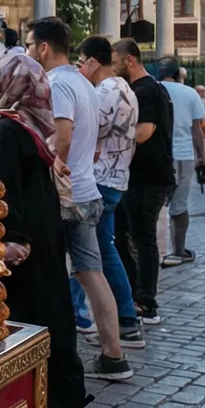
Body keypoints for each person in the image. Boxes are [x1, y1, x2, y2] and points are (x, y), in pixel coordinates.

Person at [0, 47, 90, 408]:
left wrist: (11, 239)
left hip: (23, 240)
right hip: (43, 231)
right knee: (50, 308)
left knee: (29, 315)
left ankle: (43, 397)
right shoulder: (24, 123)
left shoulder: (6, 128)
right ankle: (62, 395)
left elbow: (2, 189)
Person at [28, 18, 130, 381]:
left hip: (66, 195)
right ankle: (113, 355)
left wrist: (53, 167)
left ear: (43, 48)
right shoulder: (83, 82)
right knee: (92, 274)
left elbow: (63, 137)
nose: (28, 52)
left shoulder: (56, 84)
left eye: (30, 45)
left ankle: (56, 358)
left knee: (56, 275)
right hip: (88, 190)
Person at [80, 36, 142, 349]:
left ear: (92, 61)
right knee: (100, 251)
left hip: (101, 180)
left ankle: (126, 322)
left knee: (99, 252)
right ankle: (123, 320)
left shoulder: (104, 91)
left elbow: (89, 131)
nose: (80, 68)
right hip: (115, 177)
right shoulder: (124, 88)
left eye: (82, 61)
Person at [112, 39, 175, 326]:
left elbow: (144, 132)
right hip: (139, 176)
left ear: (130, 61)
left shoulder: (145, 90)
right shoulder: (148, 88)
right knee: (124, 234)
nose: (113, 68)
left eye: (115, 62)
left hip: (148, 177)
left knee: (143, 238)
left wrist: (112, 138)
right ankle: (133, 293)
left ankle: (147, 301)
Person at [158, 63, 205, 267]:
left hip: (157, 156)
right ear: (178, 75)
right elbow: (196, 130)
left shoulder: (150, 89)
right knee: (179, 206)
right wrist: (203, 158)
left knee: (155, 205)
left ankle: (154, 250)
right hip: (183, 155)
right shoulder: (190, 93)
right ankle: (178, 251)